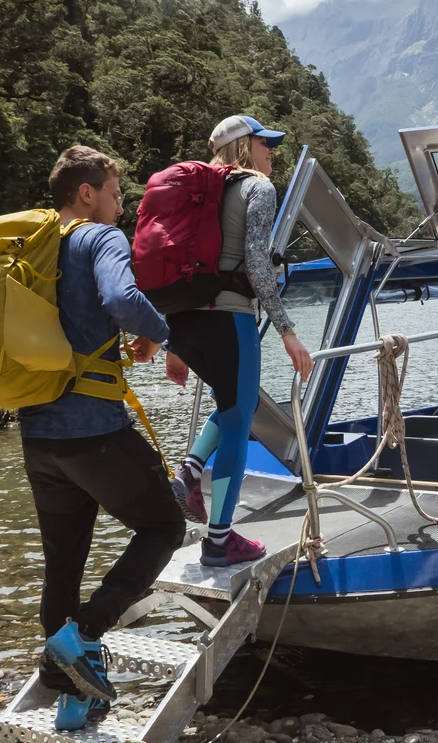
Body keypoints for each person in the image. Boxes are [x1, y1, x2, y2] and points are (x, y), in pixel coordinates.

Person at [21, 146, 184, 731]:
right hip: (93, 431)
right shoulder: (97, 238)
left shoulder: (33, 247)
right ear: (85, 194)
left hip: (38, 435)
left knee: (62, 565)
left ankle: (72, 700)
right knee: (165, 526)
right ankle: (85, 635)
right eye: (116, 193)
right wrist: (162, 336)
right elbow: (121, 299)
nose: (122, 204)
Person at [166, 115, 314, 567]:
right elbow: (256, 266)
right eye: (265, 143)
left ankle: (188, 473)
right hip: (229, 319)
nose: (272, 150)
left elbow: (178, 262)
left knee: (232, 407)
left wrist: (173, 343)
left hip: (186, 321)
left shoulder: (199, 192)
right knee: (239, 424)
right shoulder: (257, 189)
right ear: (244, 147)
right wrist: (288, 331)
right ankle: (219, 540)